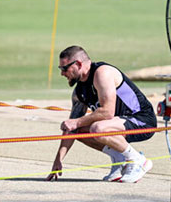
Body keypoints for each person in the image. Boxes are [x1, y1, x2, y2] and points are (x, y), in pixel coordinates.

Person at [46, 46, 157, 183]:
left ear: (78, 64)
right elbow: (72, 128)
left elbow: (107, 112)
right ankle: (119, 160)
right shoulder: (79, 91)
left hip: (142, 120)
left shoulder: (102, 73)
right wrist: (58, 160)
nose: (62, 74)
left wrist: (76, 122)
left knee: (97, 128)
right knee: (78, 130)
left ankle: (138, 160)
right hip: (117, 125)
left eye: (64, 68)